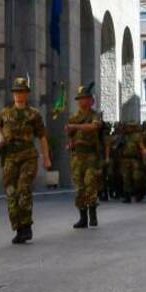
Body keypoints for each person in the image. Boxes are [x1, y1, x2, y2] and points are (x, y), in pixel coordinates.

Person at [0, 77, 52, 244]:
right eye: (16, 92)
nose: (19, 95)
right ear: (13, 94)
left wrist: (46, 158)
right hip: (10, 157)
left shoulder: (34, 114)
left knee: (23, 189)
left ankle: (26, 227)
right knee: (11, 193)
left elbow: (42, 137)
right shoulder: (5, 113)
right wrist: (0, 138)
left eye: (22, 92)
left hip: (28, 156)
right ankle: (18, 228)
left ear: (27, 94)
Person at [64, 84, 103, 229]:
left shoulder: (95, 115)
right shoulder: (74, 117)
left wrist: (75, 127)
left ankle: (92, 213)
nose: (82, 102)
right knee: (79, 186)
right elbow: (70, 135)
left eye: (85, 99)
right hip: (77, 155)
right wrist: (70, 142)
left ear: (91, 100)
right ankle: (82, 217)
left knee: (90, 184)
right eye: (79, 99)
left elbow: (93, 127)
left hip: (91, 155)